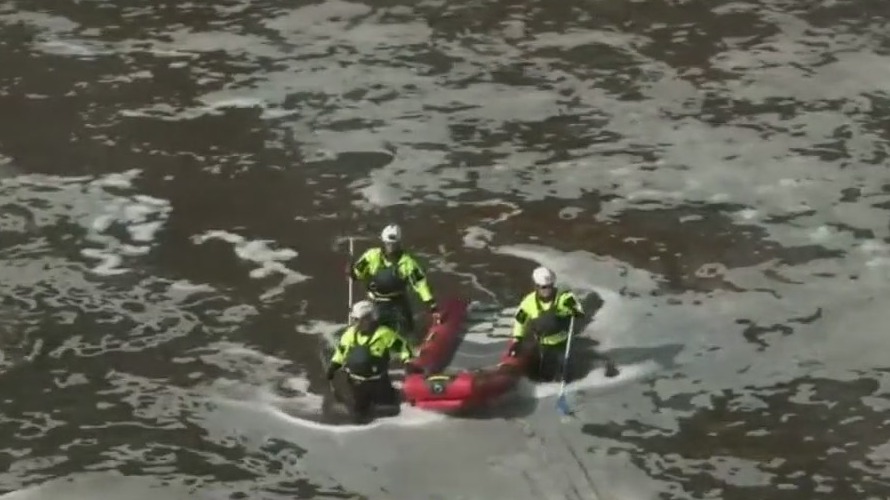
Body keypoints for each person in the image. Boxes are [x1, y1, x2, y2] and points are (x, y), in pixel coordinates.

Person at [327, 300, 419, 423]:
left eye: (357, 319)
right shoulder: (349, 335)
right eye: (354, 319)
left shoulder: (384, 334)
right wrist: (334, 366)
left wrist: (407, 361)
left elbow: (402, 347)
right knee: (358, 414)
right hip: (357, 382)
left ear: (368, 319)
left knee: (389, 409)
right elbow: (341, 352)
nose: (355, 322)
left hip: (378, 381)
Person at [348, 224, 439, 337]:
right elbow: (357, 274)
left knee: (407, 332)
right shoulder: (371, 256)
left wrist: (431, 304)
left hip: (397, 303)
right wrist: (352, 272)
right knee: (371, 334)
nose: (391, 247)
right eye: (388, 244)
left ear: (399, 244)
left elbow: (420, 284)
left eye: (394, 244)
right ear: (384, 242)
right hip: (375, 302)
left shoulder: (408, 263)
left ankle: (410, 350)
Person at [507, 266, 584, 382]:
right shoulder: (528, 302)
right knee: (545, 375)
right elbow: (520, 321)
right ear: (536, 287)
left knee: (566, 373)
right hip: (543, 345)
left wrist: (575, 310)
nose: (547, 290)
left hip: (563, 342)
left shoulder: (563, 297)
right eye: (543, 288)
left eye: (549, 287)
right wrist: (517, 339)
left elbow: (578, 310)